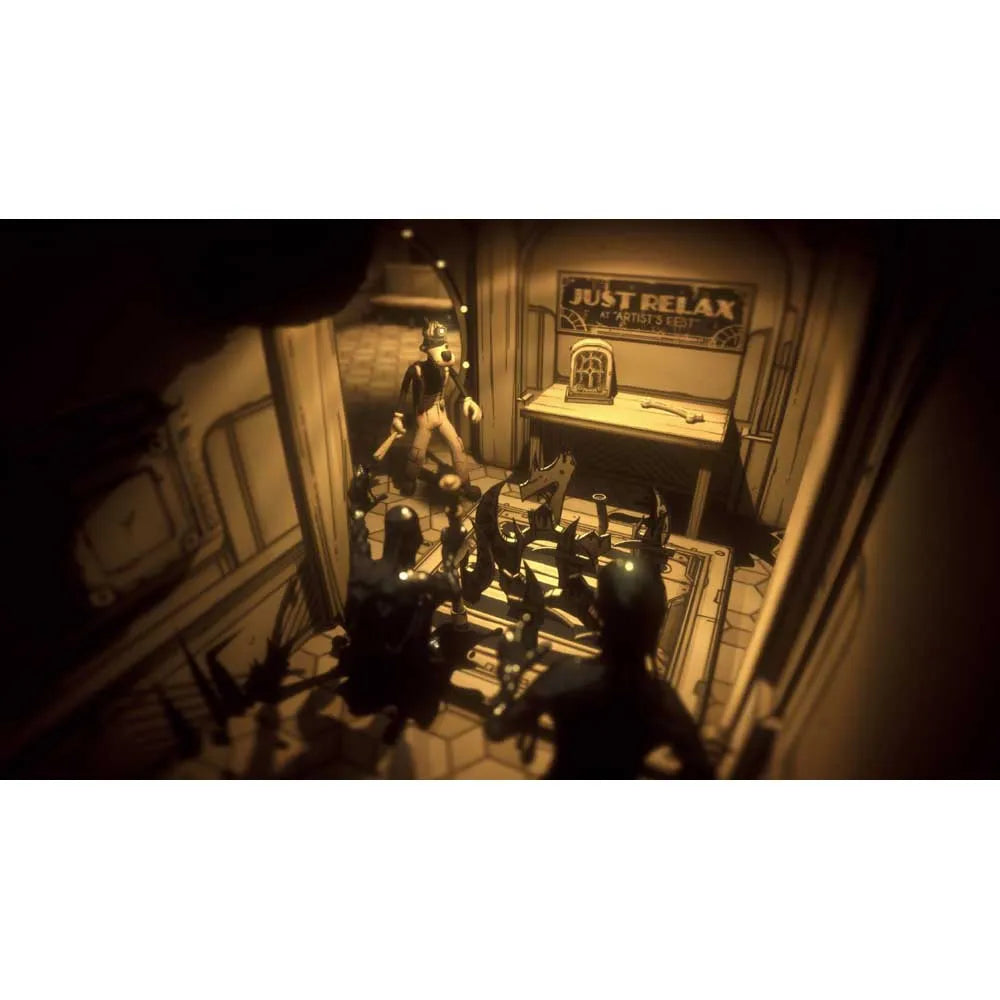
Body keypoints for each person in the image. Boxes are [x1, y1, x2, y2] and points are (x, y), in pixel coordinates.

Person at [485, 555, 715, 779]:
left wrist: (510, 675)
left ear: (598, 611)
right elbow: (702, 772)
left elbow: (497, 728)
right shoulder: (662, 700)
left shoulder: (566, 675)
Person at [391, 321, 482, 499]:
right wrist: (397, 416)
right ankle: (409, 479)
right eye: (436, 345)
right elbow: (404, 391)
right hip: (424, 417)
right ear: (426, 348)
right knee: (418, 452)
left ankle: (466, 484)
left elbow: (458, 382)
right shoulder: (416, 370)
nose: (444, 350)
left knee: (457, 446)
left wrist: (469, 400)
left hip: (441, 414)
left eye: (444, 345)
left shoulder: (446, 369)